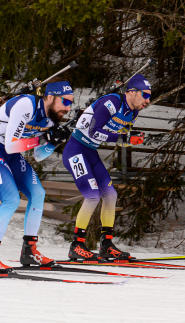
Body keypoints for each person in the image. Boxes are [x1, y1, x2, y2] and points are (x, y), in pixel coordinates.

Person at [0, 79, 73, 272]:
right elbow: (10, 145)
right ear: (51, 97)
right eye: (66, 102)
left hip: (12, 153)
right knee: (11, 200)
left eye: (71, 102)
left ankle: (29, 250)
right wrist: (43, 138)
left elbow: (38, 156)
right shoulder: (26, 105)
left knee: (38, 194)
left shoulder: (52, 116)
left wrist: (53, 143)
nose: (68, 108)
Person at [62, 74, 151, 261]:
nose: (148, 100)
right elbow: (95, 131)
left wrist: (132, 136)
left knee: (111, 195)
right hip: (75, 150)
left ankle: (106, 245)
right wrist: (123, 138)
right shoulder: (111, 102)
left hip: (91, 152)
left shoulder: (132, 112)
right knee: (92, 195)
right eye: (145, 95)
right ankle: (76, 245)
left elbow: (121, 136)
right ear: (132, 92)